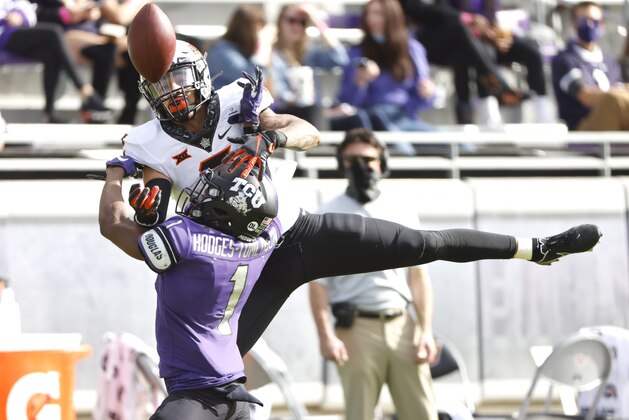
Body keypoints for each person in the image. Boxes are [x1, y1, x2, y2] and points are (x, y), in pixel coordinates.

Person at [112, 37, 602, 359]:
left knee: (419, 243)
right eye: (159, 82)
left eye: (177, 78)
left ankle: (534, 248)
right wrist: (148, 203)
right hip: (234, 257)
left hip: (297, 232)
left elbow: (304, 131)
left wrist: (269, 139)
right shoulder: (146, 141)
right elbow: (151, 187)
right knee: (214, 368)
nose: (171, 91)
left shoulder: (240, 99)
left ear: (199, 73)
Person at [101, 153, 602, 419]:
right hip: (274, 239)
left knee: (421, 244)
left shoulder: (186, 232)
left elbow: (117, 223)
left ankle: (534, 247)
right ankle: (531, 247)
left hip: (279, 245)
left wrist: (117, 178)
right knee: (425, 243)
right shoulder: (257, 222)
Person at [99, 156, 283, 419]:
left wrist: (115, 173)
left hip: (195, 399)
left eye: (211, 194)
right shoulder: (266, 238)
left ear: (227, 210)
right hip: (235, 397)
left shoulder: (184, 237)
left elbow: (113, 223)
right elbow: (268, 213)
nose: (200, 196)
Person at [309, 128, 438, 420]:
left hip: (402, 323)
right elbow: (317, 285)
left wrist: (426, 329)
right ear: (341, 163)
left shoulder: (401, 208)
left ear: (382, 162)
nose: (361, 166)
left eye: (368, 159)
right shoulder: (327, 215)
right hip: (356, 329)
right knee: (360, 414)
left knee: (422, 412)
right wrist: (326, 336)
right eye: (352, 159)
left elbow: (418, 276)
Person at [396, 0, 527, 124]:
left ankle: (465, 114)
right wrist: (467, 18)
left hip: (446, 39)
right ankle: (497, 84)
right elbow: (420, 11)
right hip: (416, 44)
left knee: (461, 52)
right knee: (457, 23)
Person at [331, 0, 437, 142]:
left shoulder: (412, 49)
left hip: (403, 119)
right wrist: (361, 82)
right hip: (371, 120)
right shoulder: (357, 52)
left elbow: (424, 99)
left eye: (378, 14)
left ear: (392, 17)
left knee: (461, 144)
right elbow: (346, 104)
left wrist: (426, 93)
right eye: (368, 14)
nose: (371, 19)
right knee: (389, 136)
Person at [0, 0, 111, 123]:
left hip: (19, 29)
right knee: (54, 32)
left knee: (51, 53)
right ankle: (85, 92)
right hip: (4, 33)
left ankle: (49, 113)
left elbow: (25, 7)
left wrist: (20, 14)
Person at [448, 0, 553, 125]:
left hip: (491, 40)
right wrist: (472, 21)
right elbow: (447, 16)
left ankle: (542, 112)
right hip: (467, 44)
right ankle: (490, 115)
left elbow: (493, 20)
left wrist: (500, 36)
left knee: (532, 51)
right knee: (483, 55)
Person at [33, 0, 118, 123]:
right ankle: (88, 96)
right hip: (64, 34)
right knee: (55, 40)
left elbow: (99, 6)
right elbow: (36, 12)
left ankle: (96, 106)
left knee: (110, 49)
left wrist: (93, 12)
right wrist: (66, 14)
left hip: (91, 34)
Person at [268, 3, 349, 130]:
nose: (297, 26)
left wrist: (318, 22)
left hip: (315, 113)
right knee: (315, 112)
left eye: (303, 22)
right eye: (292, 20)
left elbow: (340, 59)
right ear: (280, 22)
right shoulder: (271, 53)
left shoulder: (308, 52)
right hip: (284, 113)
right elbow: (278, 95)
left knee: (354, 118)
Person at [551, 1, 629, 131]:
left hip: (615, 122)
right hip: (582, 128)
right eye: (584, 21)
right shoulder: (564, 60)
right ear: (574, 23)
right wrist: (617, 94)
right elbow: (585, 95)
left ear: (602, 24)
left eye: (595, 21)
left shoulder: (610, 61)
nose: (590, 25)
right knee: (612, 100)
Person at [206, 5, 270, 90]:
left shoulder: (243, 52)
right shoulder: (221, 51)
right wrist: (263, 44)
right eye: (258, 29)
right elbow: (253, 79)